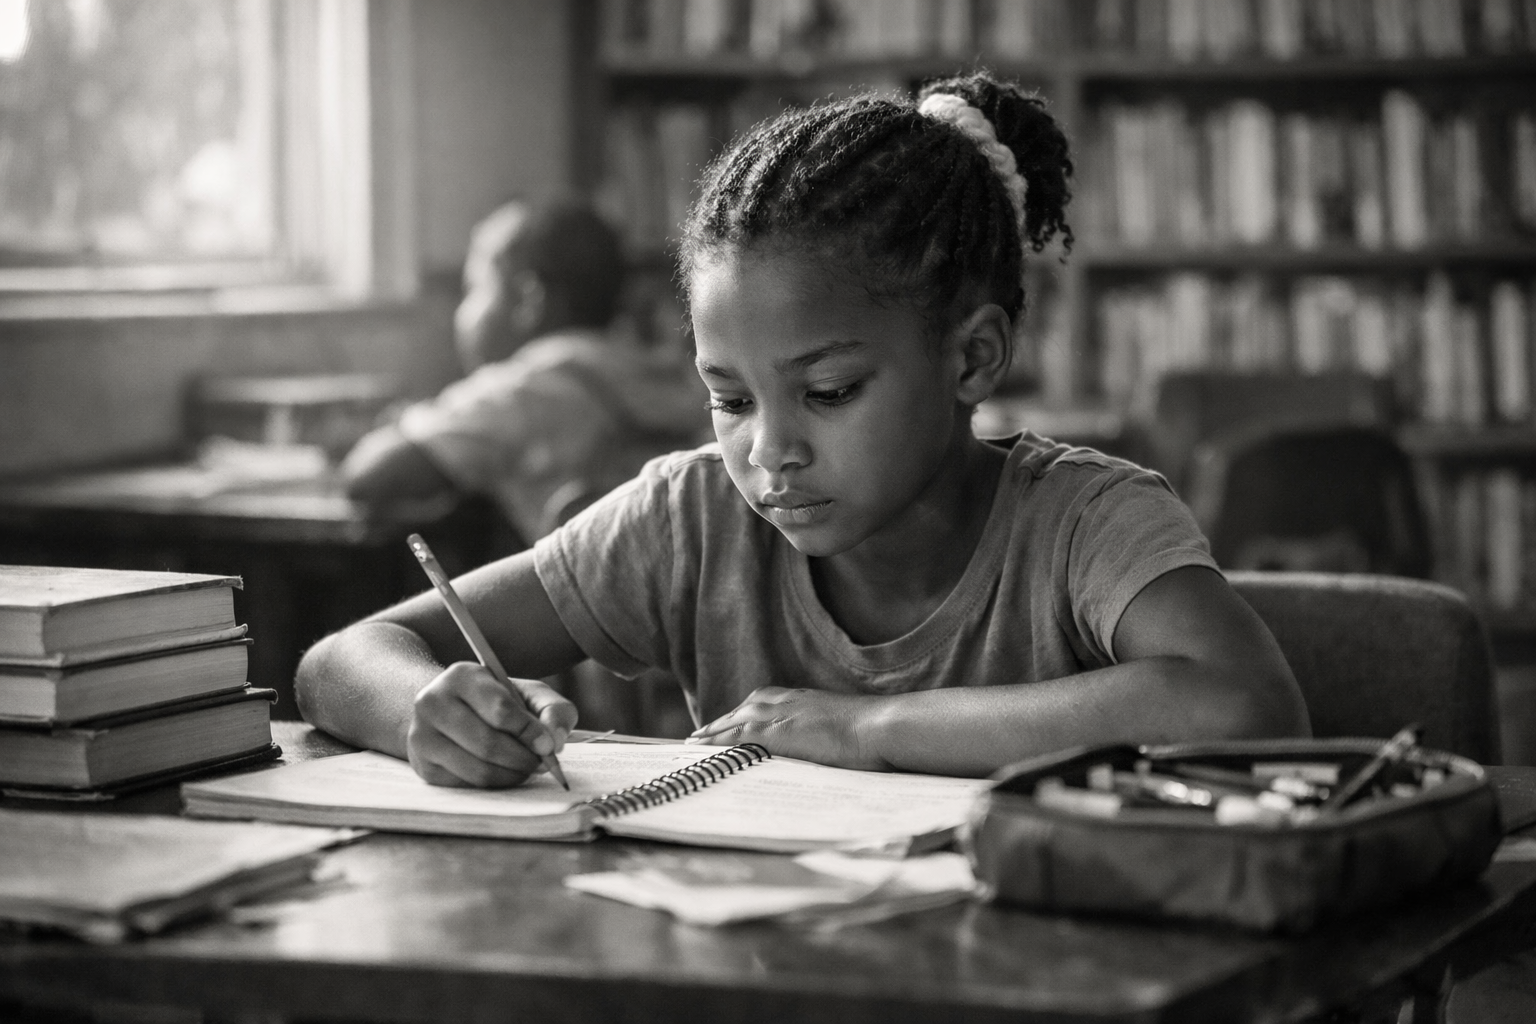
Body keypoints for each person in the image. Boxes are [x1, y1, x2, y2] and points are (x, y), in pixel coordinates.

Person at [298, 72, 1309, 788]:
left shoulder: (1085, 520)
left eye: (827, 392)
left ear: (972, 359)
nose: (768, 452)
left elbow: (1244, 704)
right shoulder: (694, 518)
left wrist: (872, 727)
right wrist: (428, 712)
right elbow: (343, 659)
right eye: (730, 399)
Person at [339, 198, 709, 543]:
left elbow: (372, 474)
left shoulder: (528, 387)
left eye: (475, 287)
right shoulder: (655, 367)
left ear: (529, 300)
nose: (463, 310)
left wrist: (408, 420)